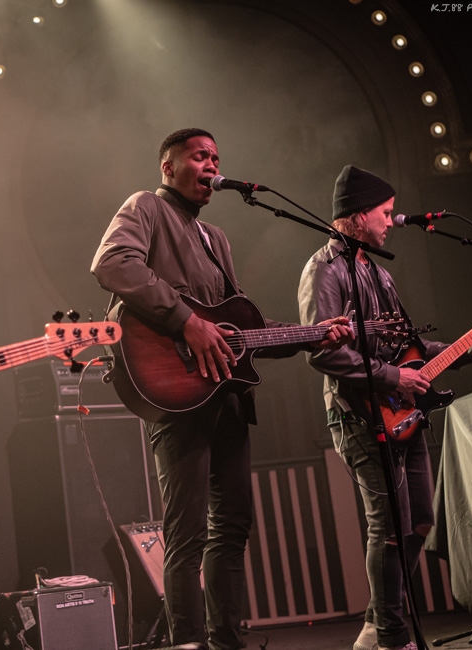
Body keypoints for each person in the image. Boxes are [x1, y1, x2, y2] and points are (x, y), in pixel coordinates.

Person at [91, 128, 353, 649]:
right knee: (187, 535)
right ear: (168, 167)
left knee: (232, 528)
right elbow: (112, 264)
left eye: (216, 156)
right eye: (199, 156)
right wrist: (187, 322)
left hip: (227, 396)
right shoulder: (146, 206)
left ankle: (227, 642)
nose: (212, 164)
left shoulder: (216, 238)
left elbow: (240, 329)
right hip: (177, 394)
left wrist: (312, 334)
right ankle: (188, 643)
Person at [297, 165, 472, 650]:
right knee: (388, 526)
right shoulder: (323, 270)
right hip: (359, 415)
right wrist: (393, 377)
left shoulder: (379, 273)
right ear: (358, 214)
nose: (392, 221)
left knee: (420, 523)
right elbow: (321, 351)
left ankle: (376, 622)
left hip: (403, 412)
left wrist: (469, 346)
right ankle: (391, 635)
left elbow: (411, 347)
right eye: (385, 213)